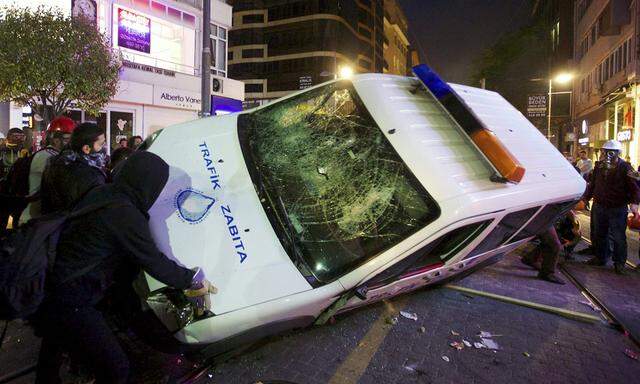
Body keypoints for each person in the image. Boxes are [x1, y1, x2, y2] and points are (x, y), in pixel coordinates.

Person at [34, 151, 216, 384]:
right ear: (149, 183)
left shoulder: (104, 193)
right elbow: (154, 262)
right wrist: (192, 278)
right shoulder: (125, 213)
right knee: (117, 370)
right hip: (71, 298)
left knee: (52, 353)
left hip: (50, 285)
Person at [582, 140, 640, 274]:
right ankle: (600, 257)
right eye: (605, 151)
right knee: (599, 234)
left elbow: (634, 188)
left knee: (618, 236)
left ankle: (619, 263)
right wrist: (586, 197)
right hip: (600, 206)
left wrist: (635, 203)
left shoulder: (626, 167)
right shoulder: (599, 166)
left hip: (617, 207)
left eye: (611, 152)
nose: (607, 154)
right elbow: (593, 184)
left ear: (617, 153)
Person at [19, 117, 76, 224]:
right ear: (56, 139)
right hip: (34, 220)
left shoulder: (52, 155)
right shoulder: (47, 157)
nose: (71, 143)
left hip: (41, 218)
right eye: (68, 139)